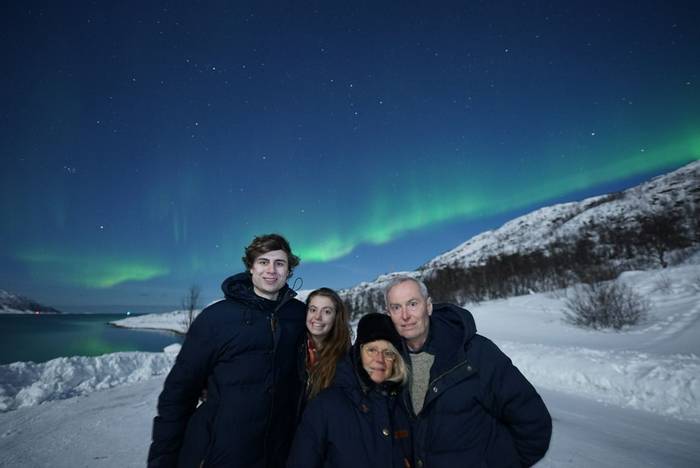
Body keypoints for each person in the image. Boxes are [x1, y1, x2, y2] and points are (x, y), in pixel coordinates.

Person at [148, 234, 307, 468]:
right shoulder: (216, 318)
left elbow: (327, 358)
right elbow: (179, 393)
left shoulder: (300, 316)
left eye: (279, 263)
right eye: (263, 262)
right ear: (251, 267)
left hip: (279, 453)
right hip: (221, 454)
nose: (271, 270)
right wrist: (163, 460)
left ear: (289, 270)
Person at [384, 276, 552, 468]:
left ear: (428, 306)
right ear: (389, 314)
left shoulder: (473, 352)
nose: (405, 315)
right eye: (396, 307)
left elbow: (533, 421)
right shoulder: (388, 362)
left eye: (413, 304)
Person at [287, 313, 413, 468]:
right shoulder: (325, 406)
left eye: (388, 353)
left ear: (396, 360)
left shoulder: (403, 407)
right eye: (371, 350)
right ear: (358, 353)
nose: (379, 359)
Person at [301, 287, 352, 404]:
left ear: (336, 318)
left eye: (327, 312)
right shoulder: (292, 349)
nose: (317, 317)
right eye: (313, 310)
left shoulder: (345, 361)